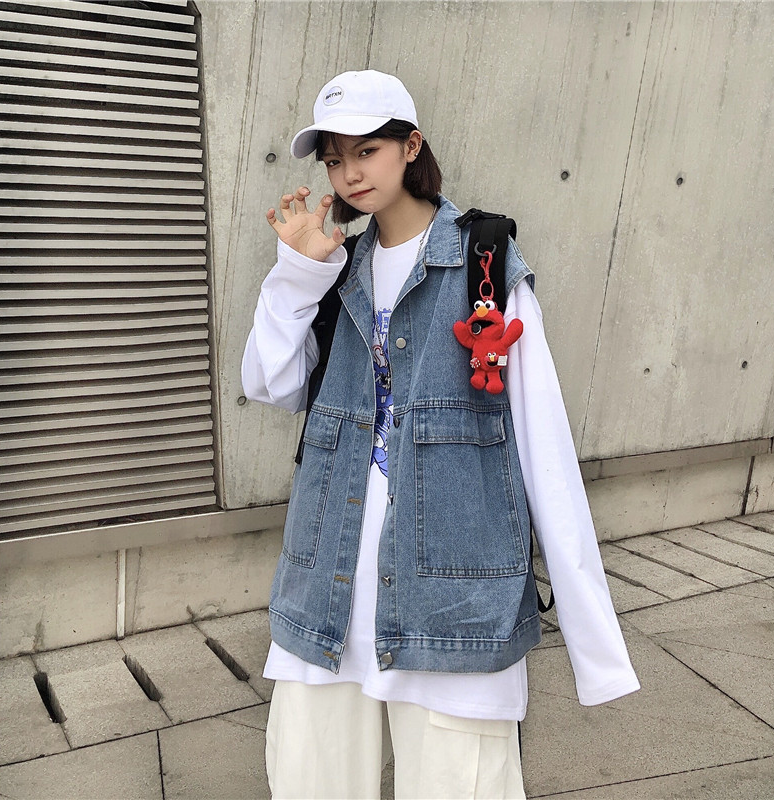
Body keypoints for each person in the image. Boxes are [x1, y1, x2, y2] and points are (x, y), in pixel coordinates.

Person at [241, 69, 640, 800]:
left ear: (411, 145)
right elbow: (271, 384)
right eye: (334, 159)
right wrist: (297, 271)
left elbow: (544, 448)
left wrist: (595, 646)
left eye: (367, 150)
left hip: (453, 600)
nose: (349, 173)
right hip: (329, 592)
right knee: (310, 782)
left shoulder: (485, 263)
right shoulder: (335, 270)